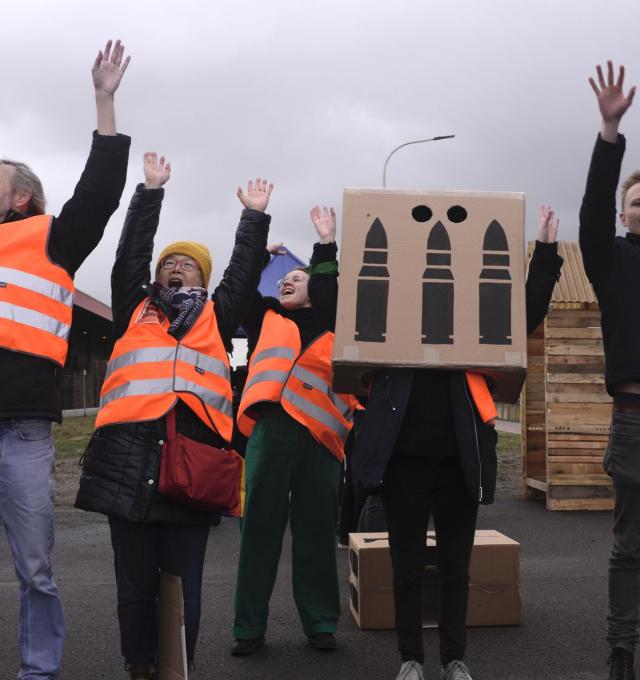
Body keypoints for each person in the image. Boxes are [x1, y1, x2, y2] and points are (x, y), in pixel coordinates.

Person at [74, 156, 273, 680]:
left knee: (184, 584)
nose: (177, 267)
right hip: (128, 461)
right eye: (170, 263)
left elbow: (244, 270)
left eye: (189, 264)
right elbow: (130, 253)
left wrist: (253, 217)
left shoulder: (216, 314)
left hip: (195, 465)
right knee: (134, 588)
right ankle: (138, 667)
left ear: (204, 279)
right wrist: (150, 192)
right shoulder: (134, 309)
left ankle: (176, 670)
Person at [351, 207, 563, 680]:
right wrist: (327, 247)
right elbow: (346, 311)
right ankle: (410, 659)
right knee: (405, 569)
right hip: (402, 464)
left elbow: (524, 313)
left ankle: (454, 659)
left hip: (458, 463)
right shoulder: (393, 314)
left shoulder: (472, 316)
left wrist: (546, 251)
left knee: (454, 569)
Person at [0, 39, 130, 680]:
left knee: (36, 566)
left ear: (21, 197)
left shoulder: (50, 238)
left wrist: (104, 103)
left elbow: (102, 190)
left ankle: (38, 671)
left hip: (22, 426)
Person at [231, 205, 360, 655]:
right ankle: (248, 627)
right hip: (271, 431)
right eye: (286, 280)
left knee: (316, 534)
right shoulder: (267, 317)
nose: (288, 283)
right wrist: (259, 253)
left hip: (321, 442)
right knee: (259, 531)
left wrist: (325, 243)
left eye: (298, 280)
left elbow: (332, 291)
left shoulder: (334, 322)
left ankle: (321, 621)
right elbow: (239, 288)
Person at [579, 61, 640, 680]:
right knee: (629, 546)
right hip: (634, 423)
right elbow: (591, 212)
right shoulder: (610, 260)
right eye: (636, 201)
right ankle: (623, 646)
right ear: (626, 215)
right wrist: (609, 133)